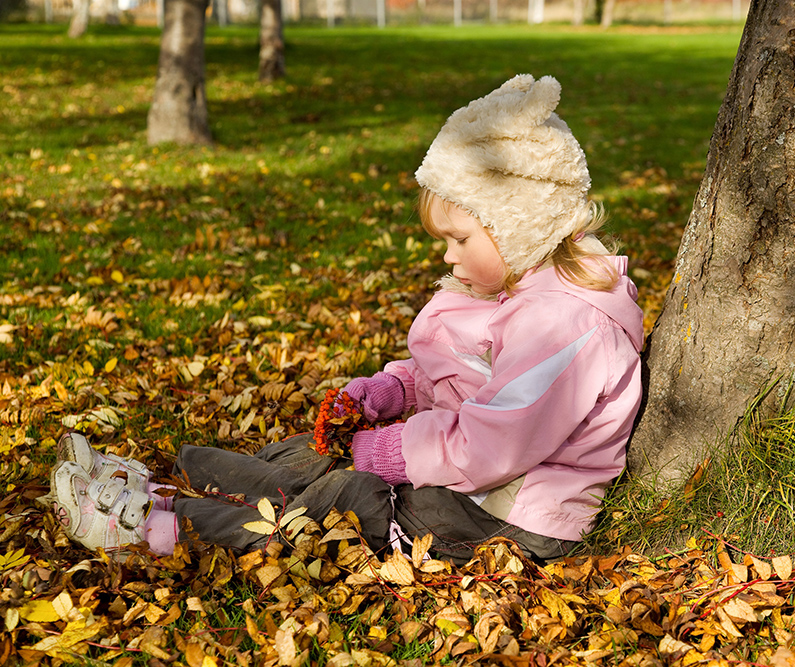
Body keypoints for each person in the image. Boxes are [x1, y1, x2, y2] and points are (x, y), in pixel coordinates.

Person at [48, 74, 644, 564]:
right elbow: (469, 374)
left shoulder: (565, 326)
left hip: (512, 513)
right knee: (319, 457)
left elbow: (493, 445)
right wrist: (392, 389)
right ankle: (191, 485)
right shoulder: (515, 289)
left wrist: (392, 453)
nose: (446, 256)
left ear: (517, 228)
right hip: (478, 479)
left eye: (459, 239)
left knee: (350, 497)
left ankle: (162, 528)